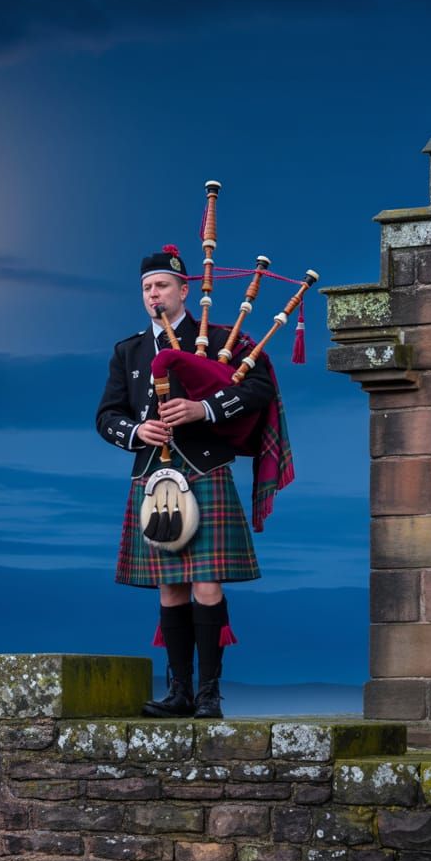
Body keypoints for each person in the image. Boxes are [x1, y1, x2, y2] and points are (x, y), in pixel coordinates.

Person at [95, 246, 277, 719]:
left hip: (205, 468)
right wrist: (138, 431)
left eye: (161, 286)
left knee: (206, 584)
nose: (153, 295)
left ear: (184, 290)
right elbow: (106, 416)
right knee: (169, 587)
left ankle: (209, 694)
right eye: (146, 288)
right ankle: (178, 692)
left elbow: (260, 388)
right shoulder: (129, 351)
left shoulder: (219, 337)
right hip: (152, 474)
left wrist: (204, 409)